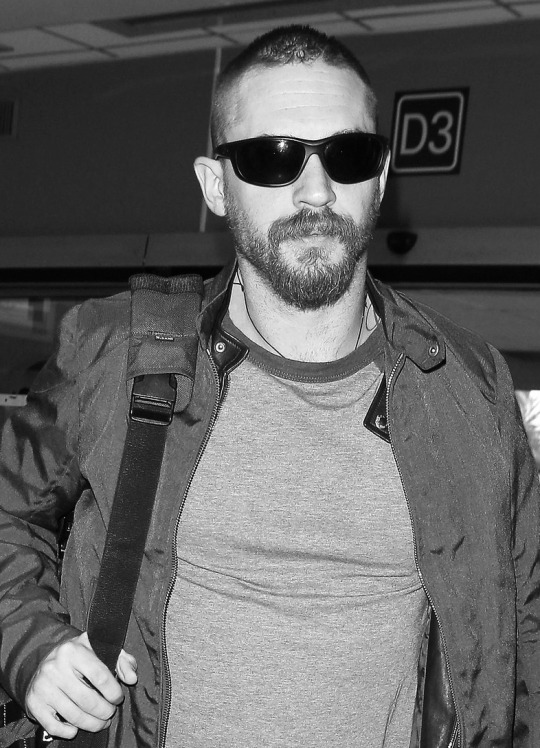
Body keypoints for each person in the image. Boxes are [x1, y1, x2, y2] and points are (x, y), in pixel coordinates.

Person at [0, 23, 539, 748]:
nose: (316, 190)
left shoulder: (467, 386)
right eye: (271, 158)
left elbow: (526, 618)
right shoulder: (118, 353)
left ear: (381, 178)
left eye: (347, 155)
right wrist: (28, 643)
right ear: (215, 186)